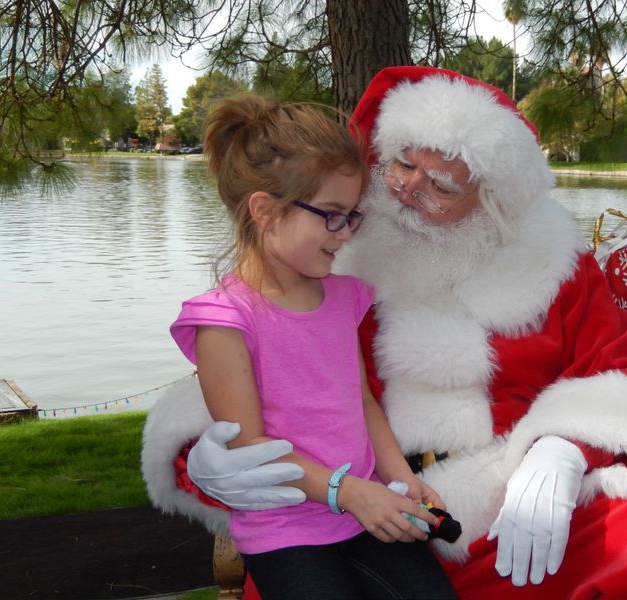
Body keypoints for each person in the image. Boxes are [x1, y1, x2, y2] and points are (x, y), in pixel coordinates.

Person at [142, 67, 627, 599]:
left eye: (442, 185)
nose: (409, 190)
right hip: (346, 506)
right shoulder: (329, 246)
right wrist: (201, 455)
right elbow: (249, 369)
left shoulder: (554, 264)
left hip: (505, 500)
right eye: (399, 165)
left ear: (490, 197)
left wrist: (565, 449)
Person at [157, 93, 458, 600]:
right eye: (332, 215)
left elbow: (361, 403)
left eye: (352, 216)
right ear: (265, 210)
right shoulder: (225, 321)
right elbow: (248, 448)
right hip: (285, 532)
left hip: (366, 512)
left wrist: (403, 481)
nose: (344, 234)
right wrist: (346, 491)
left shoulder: (344, 297)